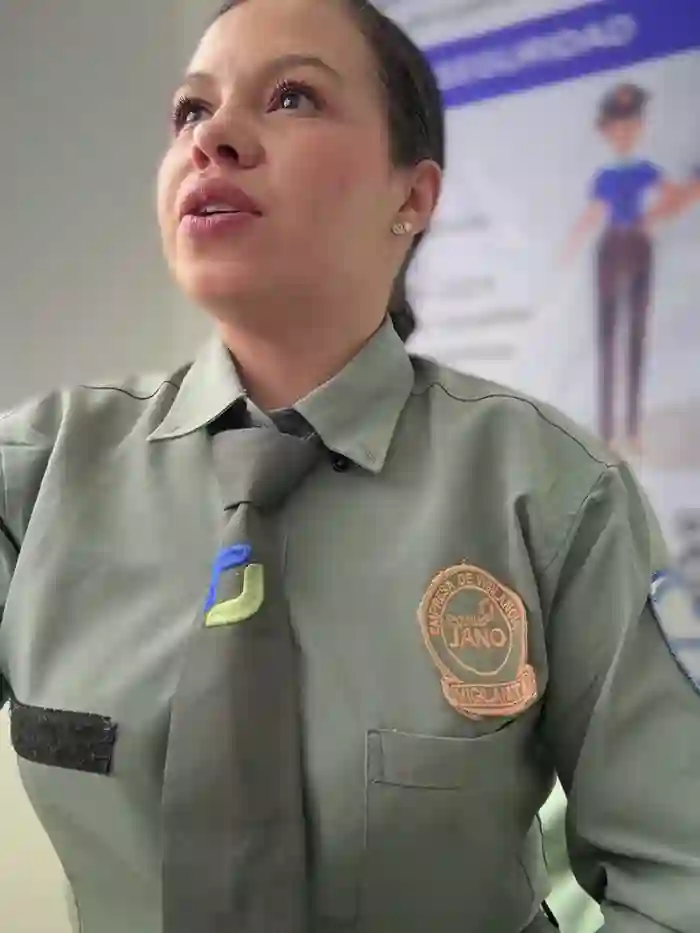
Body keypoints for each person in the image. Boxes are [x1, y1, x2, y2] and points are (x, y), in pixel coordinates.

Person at [0, 2, 699, 931]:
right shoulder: (35, 477)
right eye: (190, 110)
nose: (213, 138)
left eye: (292, 96)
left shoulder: (556, 493)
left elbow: (678, 875)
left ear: (413, 197)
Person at [562, 83, 682, 455]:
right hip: (610, 248)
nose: (624, 131)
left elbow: (673, 195)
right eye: (617, 125)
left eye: (631, 123)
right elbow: (594, 212)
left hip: (638, 246)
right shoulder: (605, 176)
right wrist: (571, 244)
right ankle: (607, 431)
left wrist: (651, 218)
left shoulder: (645, 169)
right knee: (607, 338)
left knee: (635, 336)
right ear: (607, 130)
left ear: (640, 127)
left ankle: (631, 430)